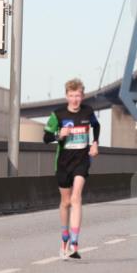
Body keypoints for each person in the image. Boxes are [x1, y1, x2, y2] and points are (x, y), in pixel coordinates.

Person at [43, 78, 100, 259]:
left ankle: (75, 243)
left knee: (76, 198)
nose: (75, 99)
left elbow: (96, 125)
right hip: (63, 163)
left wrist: (95, 143)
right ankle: (65, 237)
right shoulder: (58, 115)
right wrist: (59, 135)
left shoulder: (88, 111)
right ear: (66, 96)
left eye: (78, 96)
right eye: (71, 96)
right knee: (65, 202)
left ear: (82, 96)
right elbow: (45, 137)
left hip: (82, 160)